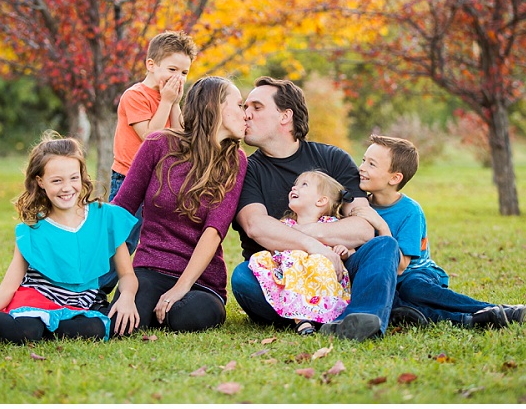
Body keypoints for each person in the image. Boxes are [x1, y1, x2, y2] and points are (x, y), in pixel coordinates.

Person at [0, 132, 140, 343]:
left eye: (73, 178)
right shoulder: (33, 230)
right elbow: (8, 288)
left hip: (79, 305)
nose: (67, 188)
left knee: (95, 331)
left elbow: (127, 274)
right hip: (36, 301)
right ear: (40, 182)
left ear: (82, 176)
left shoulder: (105, 218)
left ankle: (15, 328)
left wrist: (127, 296)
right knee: (26, 332)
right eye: (56, 180)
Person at [230, 76, 400, 341]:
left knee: (383, 247)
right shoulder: (246, 170)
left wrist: (299, 233)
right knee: (242, 277)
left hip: (338, 273)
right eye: (245, 107)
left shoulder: (331, 158)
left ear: (285, 116)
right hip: (281, 279)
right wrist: (316, 247)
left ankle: (358, 319)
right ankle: (358, 309)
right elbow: (257, 227)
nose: (245, 115)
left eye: (256, 107)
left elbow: (363, 228)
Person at [110, 76, 248, 333]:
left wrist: (180, 289)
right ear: (214, 107)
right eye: (239, 105)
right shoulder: (158, 145)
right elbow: (120, 211)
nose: (246, 114)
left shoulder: (235, 161)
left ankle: (173, 305)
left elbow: (214, 231)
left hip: (201, 282)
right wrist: (126, 286)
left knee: (187, 316)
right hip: (150, 268)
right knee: (122, 323)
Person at [356, 135, 526, 329]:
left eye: (371, 164)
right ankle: (471, 320)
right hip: (386, 281)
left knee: (412, 291)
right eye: (363, 160)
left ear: (395, 177)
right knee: (392, 301)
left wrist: (381, 226)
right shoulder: (358, 205)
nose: (361, 167)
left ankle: (495, 310)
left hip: (417, 275)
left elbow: (401, 267)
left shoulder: (410, 211)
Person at [101, 30, 198, 294]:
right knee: (122, 239)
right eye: (172, 69)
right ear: (151, 65)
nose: (178, 78)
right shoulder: (136, 96)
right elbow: (151, 140)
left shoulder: (170, 100)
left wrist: (174, 104)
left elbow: (179, 137)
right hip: (128, 180)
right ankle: (96, 289)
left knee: (152, 239)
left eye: (184, 73)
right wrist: (166, 102)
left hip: (158, 182)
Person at [248, 170, 354, 336]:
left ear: (321, 201)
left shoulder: (330, 224)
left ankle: (327, 315)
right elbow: (275, 247)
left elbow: (347, 248)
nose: (294, 188)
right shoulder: (285, 225)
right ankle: (301, 319)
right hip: (294, 277)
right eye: (295, 184)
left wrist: (344, 251)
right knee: (293, 258)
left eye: (303, 185)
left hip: (320, 279)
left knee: (319, 261)